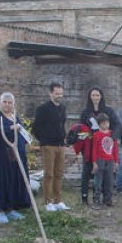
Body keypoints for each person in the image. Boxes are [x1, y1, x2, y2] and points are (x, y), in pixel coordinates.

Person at [0, 92, 32, 224]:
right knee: (0, 182)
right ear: (0, 103)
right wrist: (11, 127)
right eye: (4, 102)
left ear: (13, 104)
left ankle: (11, 208)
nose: (7, 105)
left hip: (14, 156)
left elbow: (22, 133)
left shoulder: (15, 117)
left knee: (12, 181)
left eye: (9, 102)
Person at [32, 82, 69, 212]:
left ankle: (58, 200)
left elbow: (62, 124)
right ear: (50, 93)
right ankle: (48, 201)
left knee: (59, 173)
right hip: (48, 145)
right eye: (56, 93)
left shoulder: (62, 108)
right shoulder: (43, 109)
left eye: (60, 93)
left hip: (60, 145)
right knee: (49, 174)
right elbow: (35, 127)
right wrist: (44, 140)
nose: (59, 95)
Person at [77, 87, 114, 205]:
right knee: (86, 171)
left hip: (103, 147)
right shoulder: (85, 112)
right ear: (90, 97)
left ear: (101, 96)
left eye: (97, 95)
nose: (95, 98)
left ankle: (103, 198)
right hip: (89, 146)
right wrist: (88, 137)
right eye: (93, 95)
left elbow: (116, 124)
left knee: (103, 173)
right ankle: (84, 197)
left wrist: (111, 138)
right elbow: (80, 129)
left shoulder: (108, 111)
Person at [89, 113, 118, 207]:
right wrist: (94, 162)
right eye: (104, 123)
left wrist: (116, 161)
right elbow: (93, 149)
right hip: (100, 160)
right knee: (98, 181)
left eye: (107, 123)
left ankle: (108, 199)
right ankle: (96, 199)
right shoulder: (97, 135)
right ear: (99, 124)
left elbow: (115, 148)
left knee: (109, 181)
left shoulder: (112, 134)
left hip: (110, 160)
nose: (106, 125)